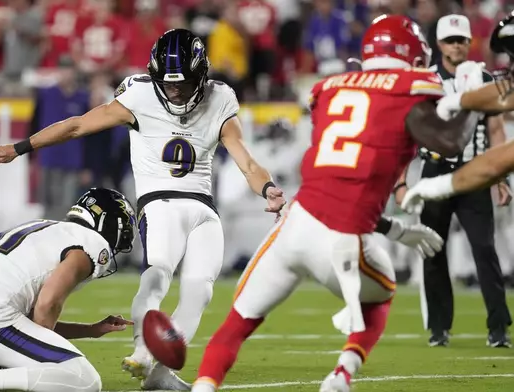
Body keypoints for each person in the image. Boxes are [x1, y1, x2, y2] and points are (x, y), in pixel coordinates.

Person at [189, 15, 481, 392]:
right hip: (338, 239)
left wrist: (394, 228)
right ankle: (341, 375)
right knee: (384, 293)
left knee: (237, 322)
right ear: (412, 54)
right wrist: (470, 101)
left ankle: (203, 386)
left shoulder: (330, 88)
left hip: (293, 226)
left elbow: (342, 181)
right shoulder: (408, 87)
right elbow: (450, 142)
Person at [0, 29, 286, 390]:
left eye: (183, 83)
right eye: (168, 84)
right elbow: (79, 125)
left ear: (201, 74)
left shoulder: (220, 98)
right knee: (157, 272)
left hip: (203, 207)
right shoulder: (140, 94)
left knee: (200, 291)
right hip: (159, 202)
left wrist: (268, 189)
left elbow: (248, 163)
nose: (175, 91)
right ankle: (144, 352)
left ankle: (159, 373)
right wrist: (21, 147)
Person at [0, 188, 136, 392]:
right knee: (84, 380)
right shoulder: (92, 243)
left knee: (49, 363)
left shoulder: (44, 227)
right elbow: (47, 304)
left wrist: (90, 330)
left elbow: (29, 325)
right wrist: (42, 360)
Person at [394, 14, 512, 348]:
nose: (457, 46)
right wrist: (400, 182)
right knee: (433, 251)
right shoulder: (425, 81)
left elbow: (496, 129)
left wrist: (499, 177)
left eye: (462, 40)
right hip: (434, 172)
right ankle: (439, 327)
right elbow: (407, 136)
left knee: (484, 249)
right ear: (439, 44)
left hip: (475, 173)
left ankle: (498, 327)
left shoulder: (484, 76)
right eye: (451, 40)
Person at [401, 12, 514, 208]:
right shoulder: (431, 79)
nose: (510, 67)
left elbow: (496, 163)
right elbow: (504, 94)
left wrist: (439, 186)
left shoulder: (480, 76)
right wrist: (460, 100)